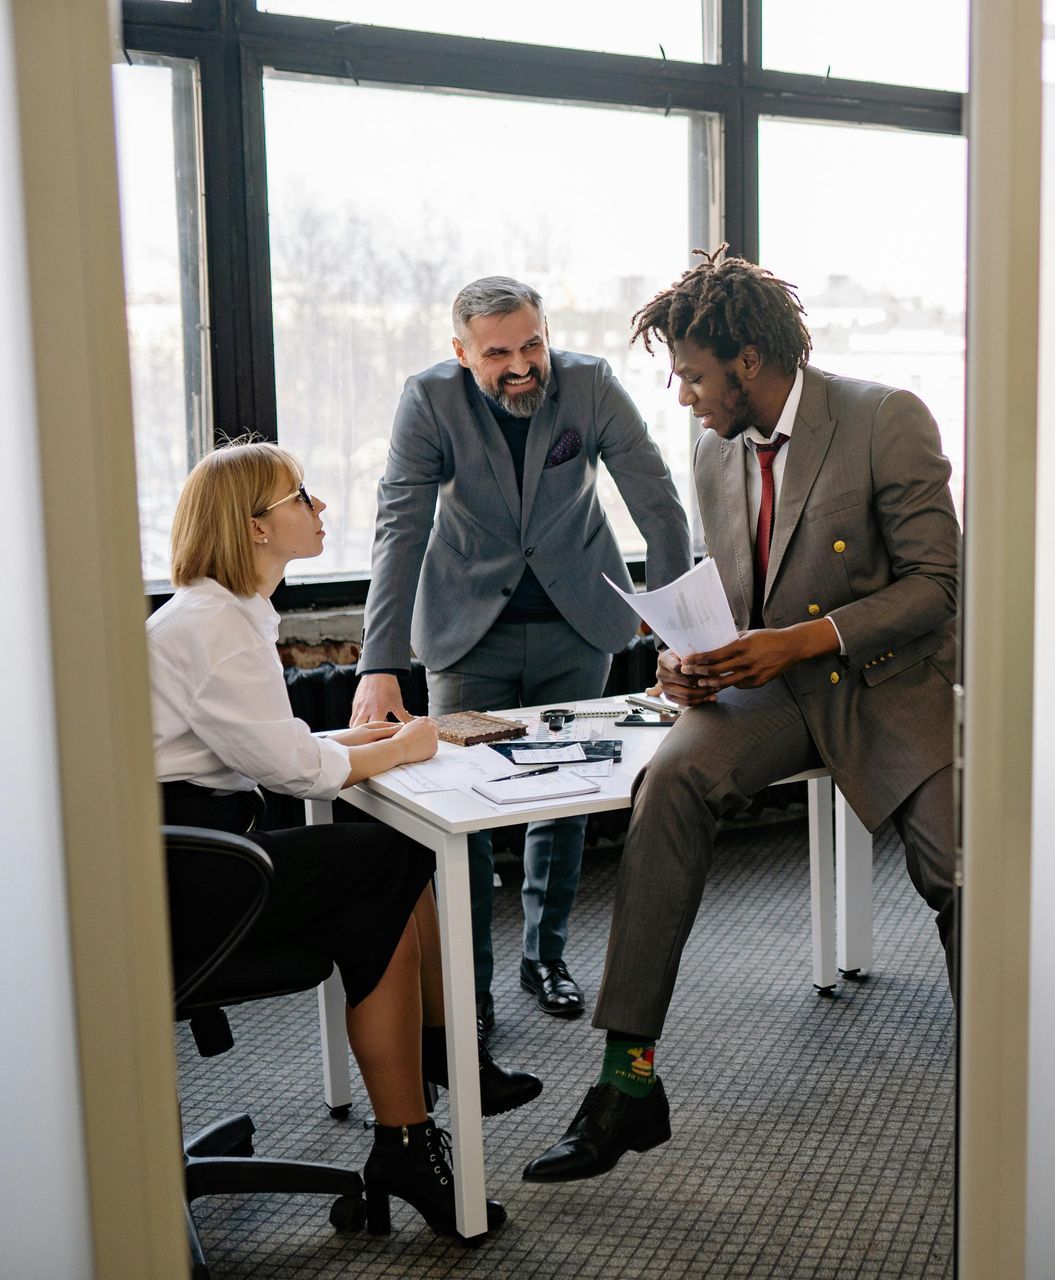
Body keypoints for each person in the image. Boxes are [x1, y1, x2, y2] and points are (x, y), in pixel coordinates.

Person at [522, 248, 960, 1183]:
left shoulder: (884, 419)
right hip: (773, 688)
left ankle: (1003, 1076)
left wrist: (796, 643)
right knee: (670, 781)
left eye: (690, 374)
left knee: (957, 869)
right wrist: (690, 661)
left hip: (886, 681)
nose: (683, 395)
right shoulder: (715, 447)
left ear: (749, 362)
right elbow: (732, 590)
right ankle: (626, 1082)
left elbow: (938, 587)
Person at [151, 442, 543, 1239]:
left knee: (380, 884)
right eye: (301, 496)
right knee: (391, 858)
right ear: (256, 528)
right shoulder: (217, 627)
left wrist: (375, 745)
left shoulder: (218, 615)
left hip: (192, 849)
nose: (320, 508)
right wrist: (399, 748)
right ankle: (432, 1082)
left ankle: (416, 1121)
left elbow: (275, 747)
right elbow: (297, 770)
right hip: (186, 875)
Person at [352, 276, 693, 1041]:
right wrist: (379, 663)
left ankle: (545, 958)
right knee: (463, 809)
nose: (521, 365)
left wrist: (676, 628)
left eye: (532, 344)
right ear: (461, 351)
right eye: (498, 351)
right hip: (469, 632)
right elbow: (399, 527)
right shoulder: (428, 401)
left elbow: (659, 503)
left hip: (579, 622)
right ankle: (468, 982)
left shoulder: (591, 386)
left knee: (565, 798)